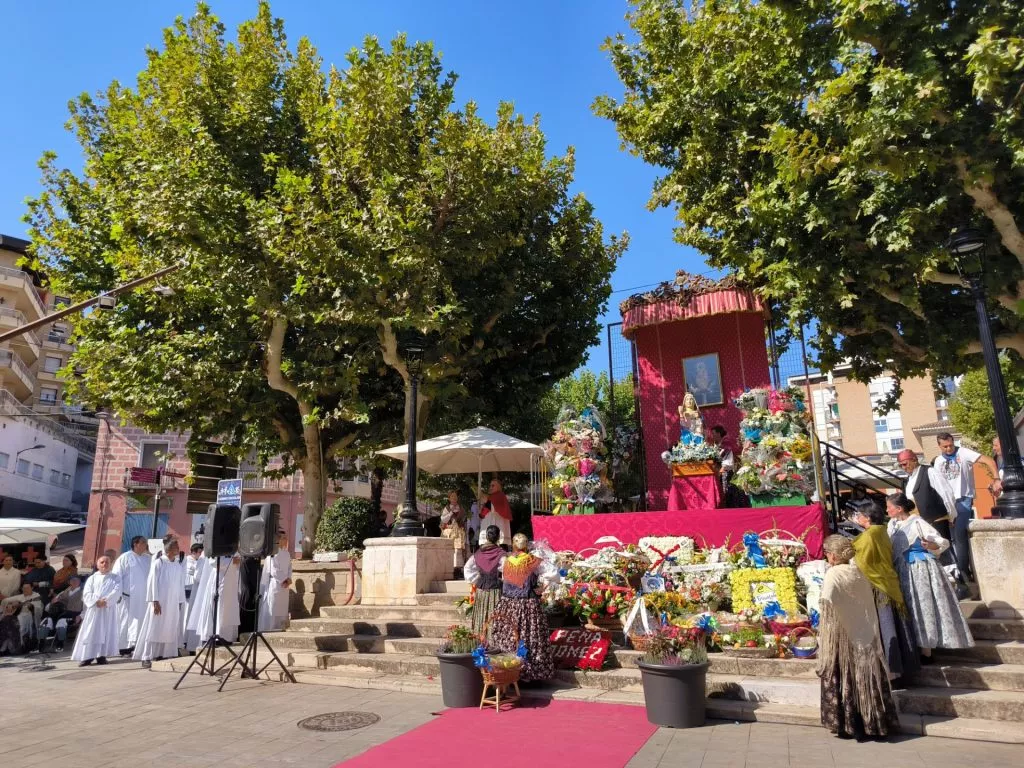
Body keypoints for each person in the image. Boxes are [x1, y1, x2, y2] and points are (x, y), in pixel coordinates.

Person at [817, 534, 900, 740]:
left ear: (834, 556)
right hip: (863, 631)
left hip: (842, 633)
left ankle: (848, 724)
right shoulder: (857, 571)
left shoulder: (833, 573)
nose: (827, 557)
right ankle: (874, 721)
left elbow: (826, 599)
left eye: (827, 553)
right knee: (867, 677)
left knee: (844, 675)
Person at [886, 492, 974, 661]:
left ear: (899, 508)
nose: (887, 510)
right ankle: (915, 646)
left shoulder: (917, 522)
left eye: (890, 507)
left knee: (924, 606)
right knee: (912, 608)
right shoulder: (892, 525)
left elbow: (941, 542)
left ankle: (927, 650)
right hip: (902, 570)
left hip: (920, 568)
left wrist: (929, 545)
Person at [851, 501, 919, 684]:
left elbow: (861, 560)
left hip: (877, 585)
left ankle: (893, 673)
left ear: (868, 518)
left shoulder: (869, 535)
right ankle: (906, 670)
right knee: (897, 627)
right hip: (889, 582)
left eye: (859, 515)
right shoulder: (881, 530)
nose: (857, 517)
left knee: (887, 629)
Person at [488, 533, 556, 683]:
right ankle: (531, 673)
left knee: (508, 635)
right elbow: (553, 574)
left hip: (508, 603)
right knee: (529, 636)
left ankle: (507, 672)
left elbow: (504, 578)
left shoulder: (505, 561)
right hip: (528, 604)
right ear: (526, 546)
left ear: (513, 544)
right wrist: (542, 587)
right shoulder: (533, 560)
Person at [933, 432, 998, 583]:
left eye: (950, 445)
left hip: (963, 499)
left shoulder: (964, 452)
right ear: (939, 446)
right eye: (945, 447)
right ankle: (958, 569)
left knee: (959, 533)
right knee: (950, 538)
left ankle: (963, 572)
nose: (949, 449)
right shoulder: (938, 461)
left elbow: (988, 461)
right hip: (947, 502)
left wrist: (996, 478)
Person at [896, 450, 960, 578]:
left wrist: (952, 515)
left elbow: (946, 493)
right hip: (922, 524)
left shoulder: (929, 472)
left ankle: (961, 585)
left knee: (944, 550)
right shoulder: (908, 480)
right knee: (932, 554)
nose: (904, 467)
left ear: (914, 460)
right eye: (901, 465)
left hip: (936, 519)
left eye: (905, 464)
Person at [134, 535, 187, 668]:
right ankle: (147, 656)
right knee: (153, 628)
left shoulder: (177, 565)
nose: (178, 549)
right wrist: (155, 601)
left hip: (173, 603)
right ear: (169, 549)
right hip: (160, 602)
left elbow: (180, 584)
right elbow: (152, 583)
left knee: (169, 627)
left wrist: (180, 601)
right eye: (176, 547)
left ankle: (164, 653)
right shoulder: (159, 563)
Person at [71, 555, 121, 667]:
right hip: (94, 610)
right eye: (102, 562)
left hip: (107, 610)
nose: (104, 564)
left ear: (110, 564)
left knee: (105, 632)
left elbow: (117, 591)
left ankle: (101, 656)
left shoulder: (115, 577)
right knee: (91, 633)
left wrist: (106, 601)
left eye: (107, 562)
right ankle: (87, 657)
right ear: (98, 565)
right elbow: (86, 593)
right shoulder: (92, 578)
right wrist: (96, 601)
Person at [188, 552, 242, 644]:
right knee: (219, 608)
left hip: (231, 581)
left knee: (229, 610)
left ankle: (226, 637)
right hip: (220, 579)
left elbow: (238, 560)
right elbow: (213, 562)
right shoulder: (217, 546)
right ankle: (217, 635)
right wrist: (232, 561)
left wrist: (237, 561)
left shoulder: (233, 547)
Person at [463, 525, 505, 642]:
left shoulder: (477, 553)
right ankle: (494, 640)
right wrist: (503, 580)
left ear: (486, 536)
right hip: (496, 589)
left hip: (482, 590)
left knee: (482, 614)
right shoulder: (501, 554)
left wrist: (478, 580)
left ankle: (481, 639)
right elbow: (506, 570)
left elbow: (467, 568)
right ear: (498, 538)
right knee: (494, 614)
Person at [112, 536, 153, 656]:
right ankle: (122, 647)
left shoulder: (148, 558)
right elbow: (116, 576)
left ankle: (136, 645)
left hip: (143, 598)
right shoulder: (125, 557)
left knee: (140, 622)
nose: (146, 544)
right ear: (136, 544)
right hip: (127, 597)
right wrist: (117, 594)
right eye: (143, 542)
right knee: (125, 622)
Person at [39, 576, 85, 651]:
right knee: (46, 622)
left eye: (77, 580)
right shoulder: (64, 592)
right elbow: (47, 608)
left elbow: (86, 608)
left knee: (62, 622)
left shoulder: (83, 592)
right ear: (69, 582)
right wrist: (52, 603)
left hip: (73, 614)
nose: (74, 582)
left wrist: (80, 616)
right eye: (72, 580)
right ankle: (41, 644)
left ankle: (60, 643)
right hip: (58, 613)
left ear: (80, 582)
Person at [258, 530, 292, 631]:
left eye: (286, 538)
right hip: (276, 583)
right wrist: (283, 580)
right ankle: (270, 627)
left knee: (282, 608)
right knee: (273, 606)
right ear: (278, 540)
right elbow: (273, 569)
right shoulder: (273, 553)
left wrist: (289, 578)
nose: (286, 540)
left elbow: (290, 567)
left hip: (285, 585)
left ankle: (280, 627)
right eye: (283, 538)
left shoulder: (287, 553)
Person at [0, 583, 44, 651]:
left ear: (32, 588)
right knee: (5, 621)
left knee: (11, 622)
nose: (25, 590)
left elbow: (34, 609)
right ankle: (6, 646)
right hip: (16, 618)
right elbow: (4, 600)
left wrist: (19, 606)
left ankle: (19, 646)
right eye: (23, 588)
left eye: (27, 588)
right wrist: (6, 610)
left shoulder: (36, 596)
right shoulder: (20, 596)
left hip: (29, 619)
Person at [183, 544, 208, 653]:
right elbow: (195, 577)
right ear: (194, 552)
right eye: (199, 552)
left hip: (196, 593)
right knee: (188, 618)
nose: (200, 554)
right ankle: (186, 642)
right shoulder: (187, 561)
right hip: (190, 593)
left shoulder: (200, 561)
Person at [478, 478, 512, 548]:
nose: (490, 487)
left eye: (493, 486)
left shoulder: (500, 495)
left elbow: (492, 507)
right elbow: (486, 510)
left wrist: (485, 501)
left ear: (498, 487)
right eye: (490, 486)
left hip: (498, 524)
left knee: (499, 544)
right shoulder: (491, 496)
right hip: (489, 523)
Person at [441, 491, 468, 568]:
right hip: (450, 532)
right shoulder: (447, 508)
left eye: (455, 496)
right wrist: (450, 514)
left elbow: (465, 519)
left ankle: (458, 568)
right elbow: (443, 520)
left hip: (460, 532)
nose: (454, 498)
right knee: (450, 550)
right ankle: (449, 566)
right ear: (449, 498)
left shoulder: (461, 508)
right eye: (452, 496)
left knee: (458, 550)